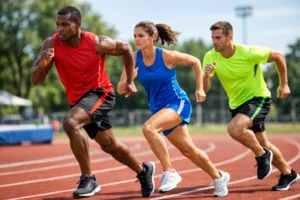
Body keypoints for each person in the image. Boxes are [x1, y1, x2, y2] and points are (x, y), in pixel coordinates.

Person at [30, 6, 155, 198]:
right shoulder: (51, 44)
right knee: (110, 146)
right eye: (58, 25)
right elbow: (36, 79)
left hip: (100, 93)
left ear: (77, 25)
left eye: (65, 25)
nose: (59, 29)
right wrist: (45, 64)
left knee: (71, 123)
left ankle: (88, 178)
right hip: (79, 101)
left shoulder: (96, 42)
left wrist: (129, 81)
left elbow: (126, 49)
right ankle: (143, 171)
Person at [118, 21, 230, 197]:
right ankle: (219, 177)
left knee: (149, 128)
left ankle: (169, 172)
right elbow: (119, 88)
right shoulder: (132, 58)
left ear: (152, 37)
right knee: (189, 151)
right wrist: (129, 79)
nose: (136, 39)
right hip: (159, 109)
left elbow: (194, 61)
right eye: (134, 36)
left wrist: (200, 87)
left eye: (141, 36)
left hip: (177, 103)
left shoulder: (167, 56)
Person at [203, 21, 300, 191]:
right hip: (237, 104)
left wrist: (283, 84)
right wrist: (206, 76)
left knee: (234, 129)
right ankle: (287, 173)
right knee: (263, 143)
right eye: (212, 38)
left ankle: (262, 155)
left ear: (229, 37)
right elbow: (205, 90)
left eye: (218, 38)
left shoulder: (248, 52)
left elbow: (278, 56)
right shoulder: (210, 56)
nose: (214, 41)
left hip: (258, 99)